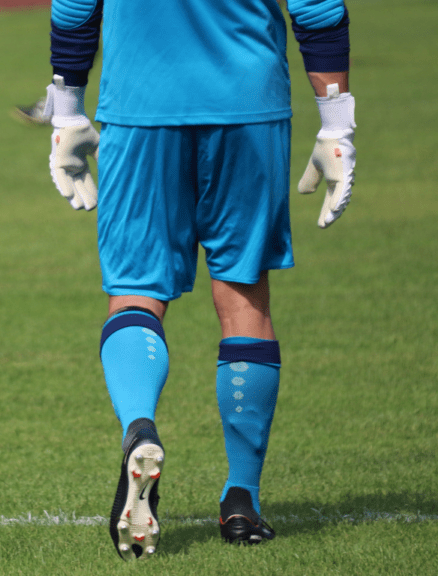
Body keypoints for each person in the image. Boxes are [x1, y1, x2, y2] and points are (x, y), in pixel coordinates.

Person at [44, 0, 355, 561]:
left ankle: (140, 428)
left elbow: (73, 6)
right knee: (243, 295)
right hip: (248, 103)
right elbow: (318, 7)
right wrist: (337, 125)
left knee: (136, 291)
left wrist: (66, 110)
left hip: (141, 104)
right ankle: (242, 500)